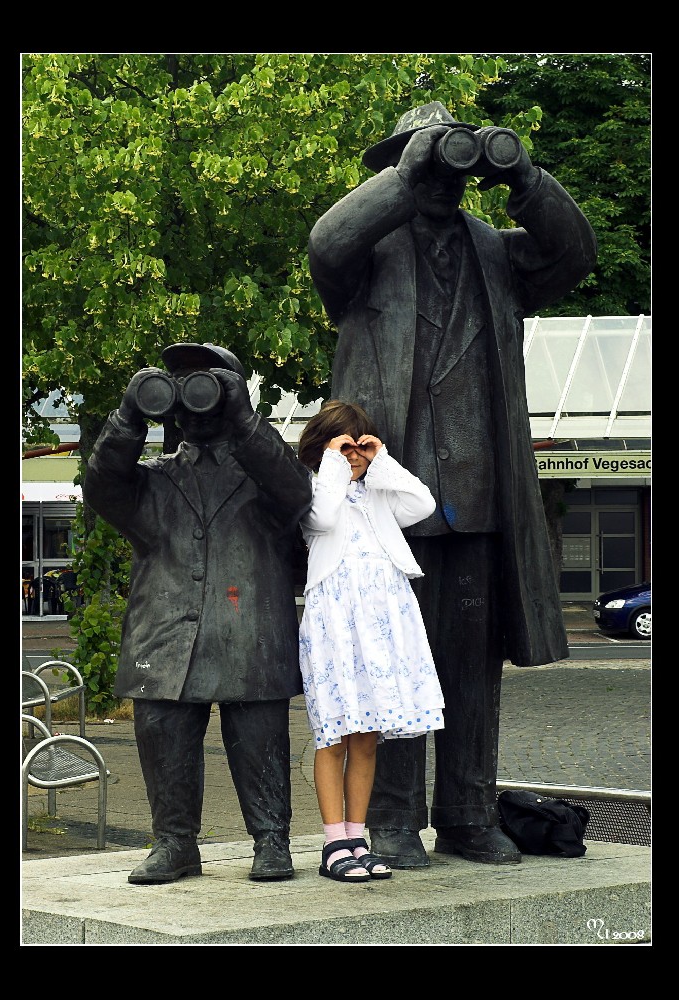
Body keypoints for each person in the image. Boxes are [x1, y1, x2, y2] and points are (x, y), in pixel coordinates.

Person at [308, 101, 598, 869]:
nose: (441, 175)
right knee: (391, 660)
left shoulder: (496, 254)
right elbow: (324, 241)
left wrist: (525, 176)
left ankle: (468, 813)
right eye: (423, 160)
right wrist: (405, 177)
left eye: (449, 162)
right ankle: (395, 820)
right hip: (387, 503)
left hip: (475, 494)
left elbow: (574, 254)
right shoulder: (366, 257)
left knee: (471, 663)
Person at [84, 342, 313, 884]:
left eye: (205, 385)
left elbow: (297, 493)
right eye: (180, 387)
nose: (193, 401)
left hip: (248, 631)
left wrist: (244, 418)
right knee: (164, 732)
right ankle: (174, 843)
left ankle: (271, 840)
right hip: (164, 637)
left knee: (259, 736)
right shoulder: (152, 480)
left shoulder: (265, 472)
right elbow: (100, 486)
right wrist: (128, 415)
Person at [297, 400, 445, 882]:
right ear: (322, 448)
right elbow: (319, 520)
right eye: (343, 444)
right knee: (333, 733)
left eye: (358, 445)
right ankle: (333, 843)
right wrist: (333, 464)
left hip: (384, 620)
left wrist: (380, 460)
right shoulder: (314, 489)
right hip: (336, 621)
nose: (353, 454)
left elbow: (422, 503)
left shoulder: (379, 491)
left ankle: (357, 836)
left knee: (366, 737)